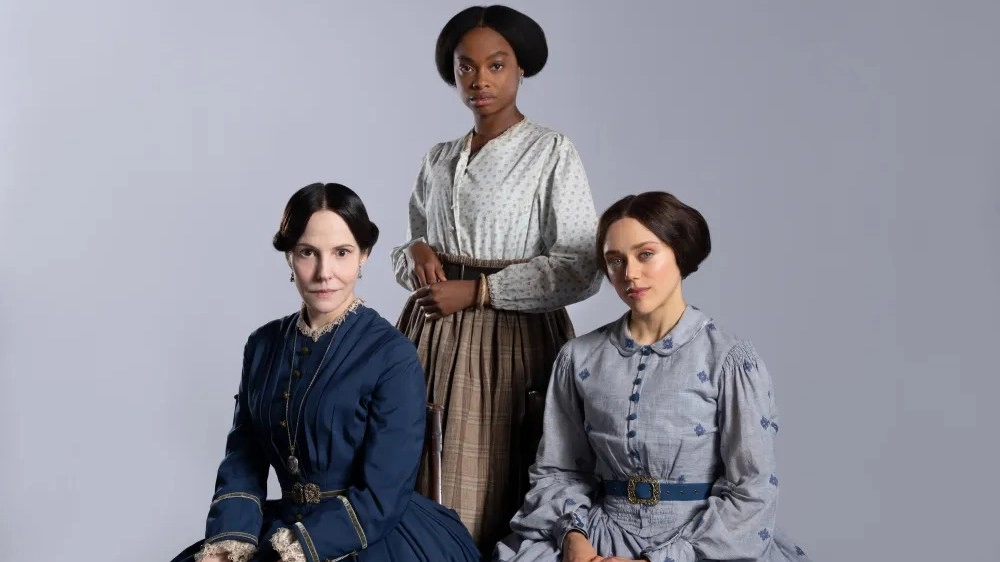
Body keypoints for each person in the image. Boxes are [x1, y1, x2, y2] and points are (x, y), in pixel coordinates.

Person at [494, 192, 813, 562]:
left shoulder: (729, 360)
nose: (629, 273)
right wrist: (574, 540)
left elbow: (752, 489)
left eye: (645, 254)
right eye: (615, 260)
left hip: (700, 547)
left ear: (679, 252)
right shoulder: (578, 357)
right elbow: (559, 470)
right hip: (597, 540)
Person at [170, 183, 480, 562]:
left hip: (371, 533)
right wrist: (230, 540)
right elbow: (243, 460)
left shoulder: (392, 355)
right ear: (289, 256)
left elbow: (383, 494)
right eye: (307, 253)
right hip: (282, 525)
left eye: (341, 253)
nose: (324, 272)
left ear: (364, 255)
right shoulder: (262, 345)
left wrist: (300, 549)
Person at [390, 4, 603, 553]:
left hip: (511, 338)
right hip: (429, 335)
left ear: (521, 67)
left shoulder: (550, 151)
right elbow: (409, 247)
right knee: (417, 465)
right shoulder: (438, 158)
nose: (479, 80)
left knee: (498, 478)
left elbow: (580, 267)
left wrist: (482, 290)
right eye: (466, 67)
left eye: (496, 65)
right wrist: (414, 251)